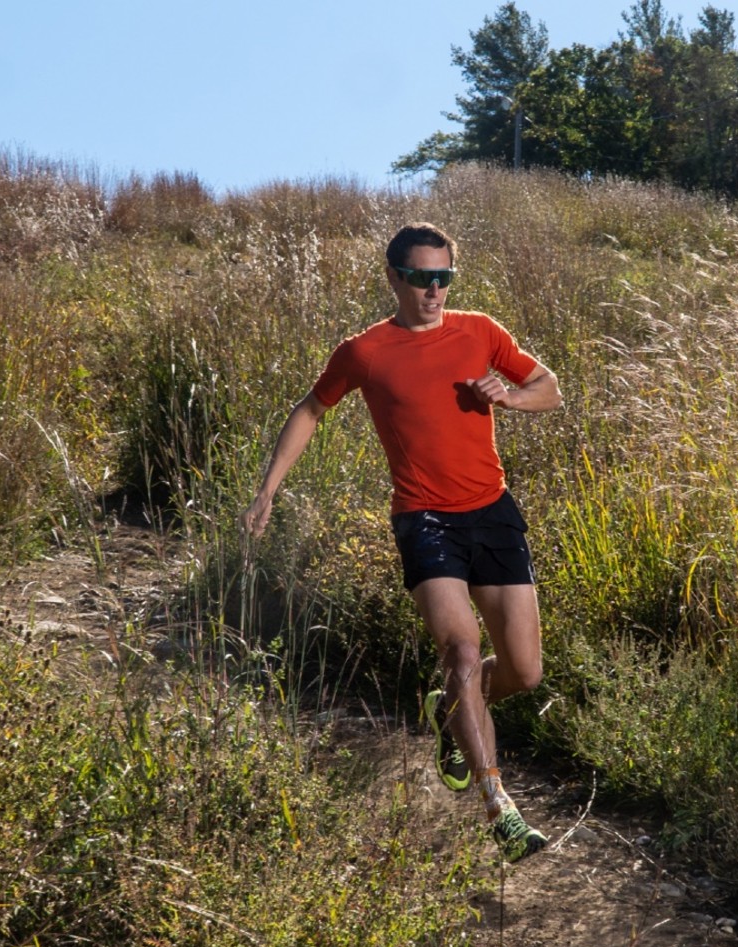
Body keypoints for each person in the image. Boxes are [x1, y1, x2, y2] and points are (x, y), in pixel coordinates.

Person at [240, 222, 562, 863]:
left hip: (493, 513)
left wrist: (512, 396)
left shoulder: (480, 331)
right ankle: (498, 805)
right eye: (420, 277)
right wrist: (268, 489)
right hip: (424, 520)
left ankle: (449, 708)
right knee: (463, 650)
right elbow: (310, 409)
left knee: (523, 671)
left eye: (443, 277)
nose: (434, 290)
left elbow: (549, 387)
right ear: (393, 277)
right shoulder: (365, 352)